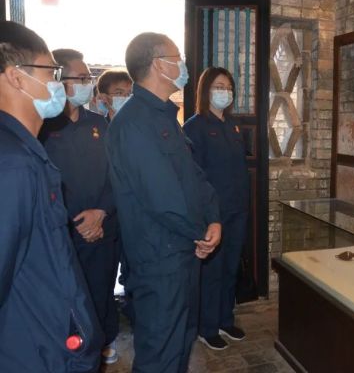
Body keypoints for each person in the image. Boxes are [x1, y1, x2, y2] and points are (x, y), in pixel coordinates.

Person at [106, 32, 222, 373]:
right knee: (159, 354)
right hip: (158, 262)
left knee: (180, 346)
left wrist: (213, 218)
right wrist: (201, 232)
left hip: (182, 254)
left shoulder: (164, 117)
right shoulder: (133, 124)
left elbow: (195, 178)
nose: (182, 65)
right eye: (178, 58)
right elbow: (163, 198)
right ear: (160, 64)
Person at [0, 21, 102, 371]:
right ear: (15, 77)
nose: (57, 84)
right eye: (51, 72)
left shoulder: (24, 151)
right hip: (35, 351)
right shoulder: (12, 163)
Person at [38, 48, 120, 365]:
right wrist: (77, 221)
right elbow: (44, 183)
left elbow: (118, 176)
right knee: (69, 296)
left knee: (100, 291)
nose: (88, 83)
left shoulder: (100, 124)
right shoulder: (43, 126)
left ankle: (101, 343)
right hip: (64, 232)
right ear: (60, 80)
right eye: (81, 77)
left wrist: (101, 212)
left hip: (103, 227)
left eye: (89, 77)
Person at [183, 67, 250, 350]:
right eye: (219, 86)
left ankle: (225, 319)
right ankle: (206, 326)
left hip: (237, 209)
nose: (225, 92)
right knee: (211, 270)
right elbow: (192, 176)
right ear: (206, 90)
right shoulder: (194, 126)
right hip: (212, 215)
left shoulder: (233, 126)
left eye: (228, 87)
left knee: (230, 268)